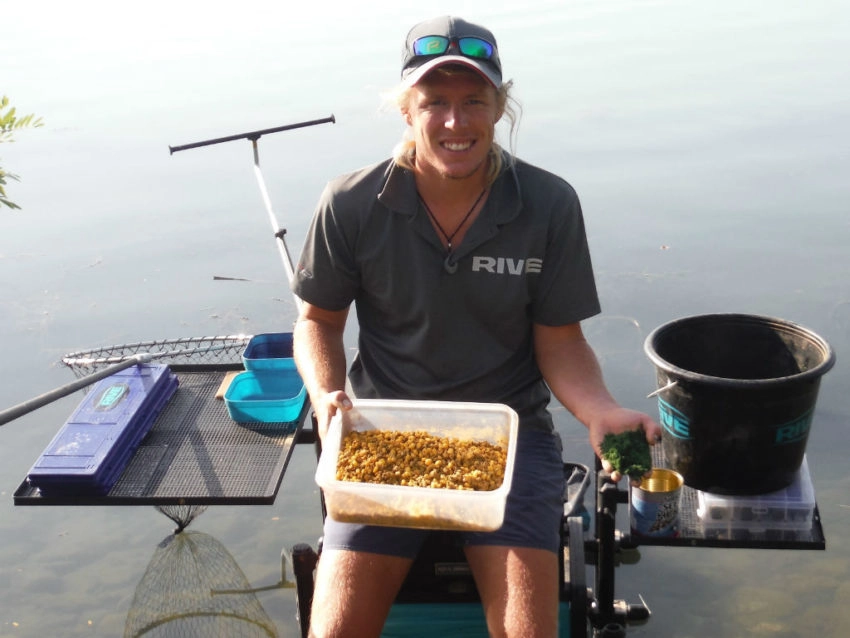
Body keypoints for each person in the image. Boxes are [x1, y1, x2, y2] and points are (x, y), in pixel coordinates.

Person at [292, 15, 661, 638]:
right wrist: (327, 395)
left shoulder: (547, 203)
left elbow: (561, 340)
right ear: (407, 109)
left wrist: (598, 410)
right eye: (435, 102)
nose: (455, 123)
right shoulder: (350, 203)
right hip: (384, 436)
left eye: (474, 102)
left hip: (510, 437)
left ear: (500, 106)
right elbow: (318, 323)